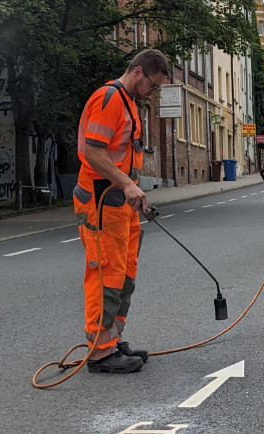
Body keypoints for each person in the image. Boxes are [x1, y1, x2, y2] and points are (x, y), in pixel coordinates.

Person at [73, 49, 170, 374]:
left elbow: (123, 156)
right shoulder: (109, 99)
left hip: (119, 203)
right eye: (153, 87)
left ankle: (112, 342)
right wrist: (128, 185)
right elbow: (93, 151)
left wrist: (133, 192)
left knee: (124, 273)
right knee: (106, 275)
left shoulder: (128, 103)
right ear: (139, 72)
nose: (152, 94)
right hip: (101, 201)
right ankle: (100, 353)